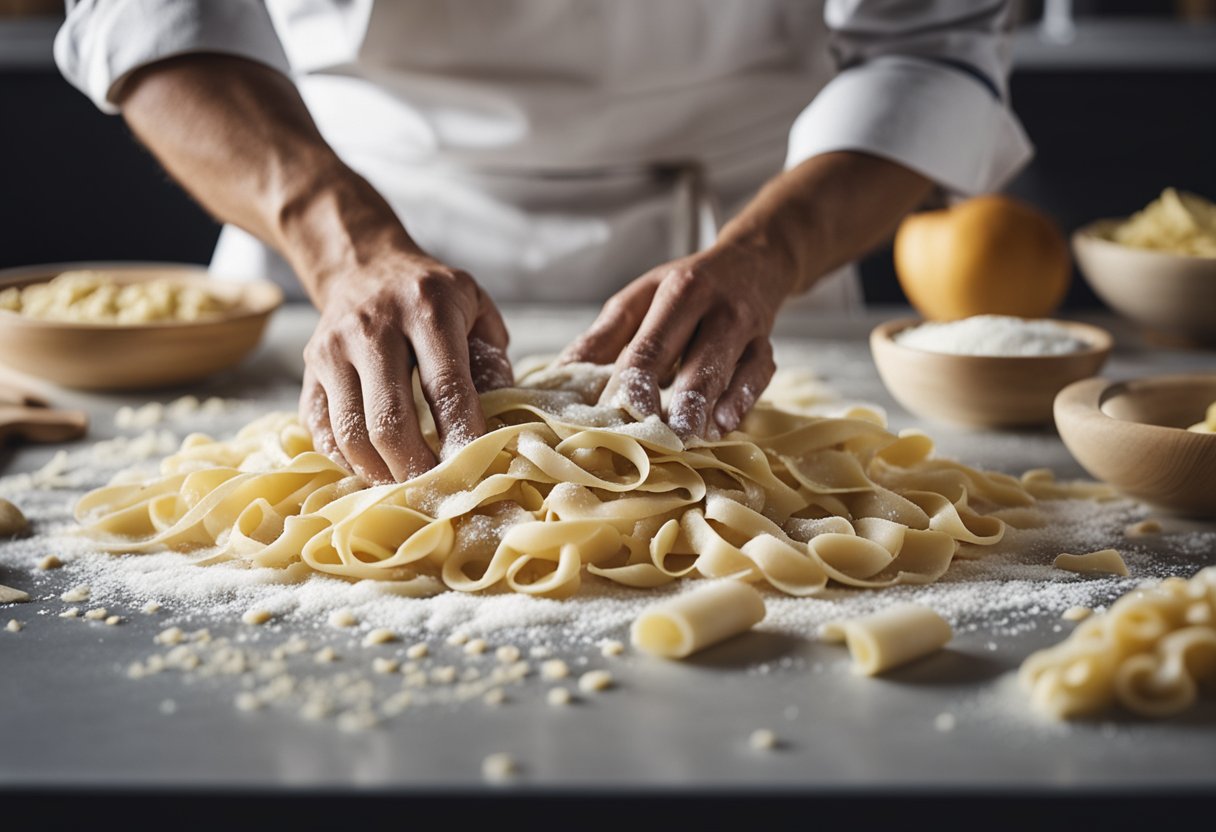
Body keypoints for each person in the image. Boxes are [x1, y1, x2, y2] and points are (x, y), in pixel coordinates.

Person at [54, 0, 1032, 485]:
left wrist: (768, 253)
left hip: (749, 218)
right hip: (333, 208)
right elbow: (146, 15)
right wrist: (341, 243)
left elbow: (927, 47)